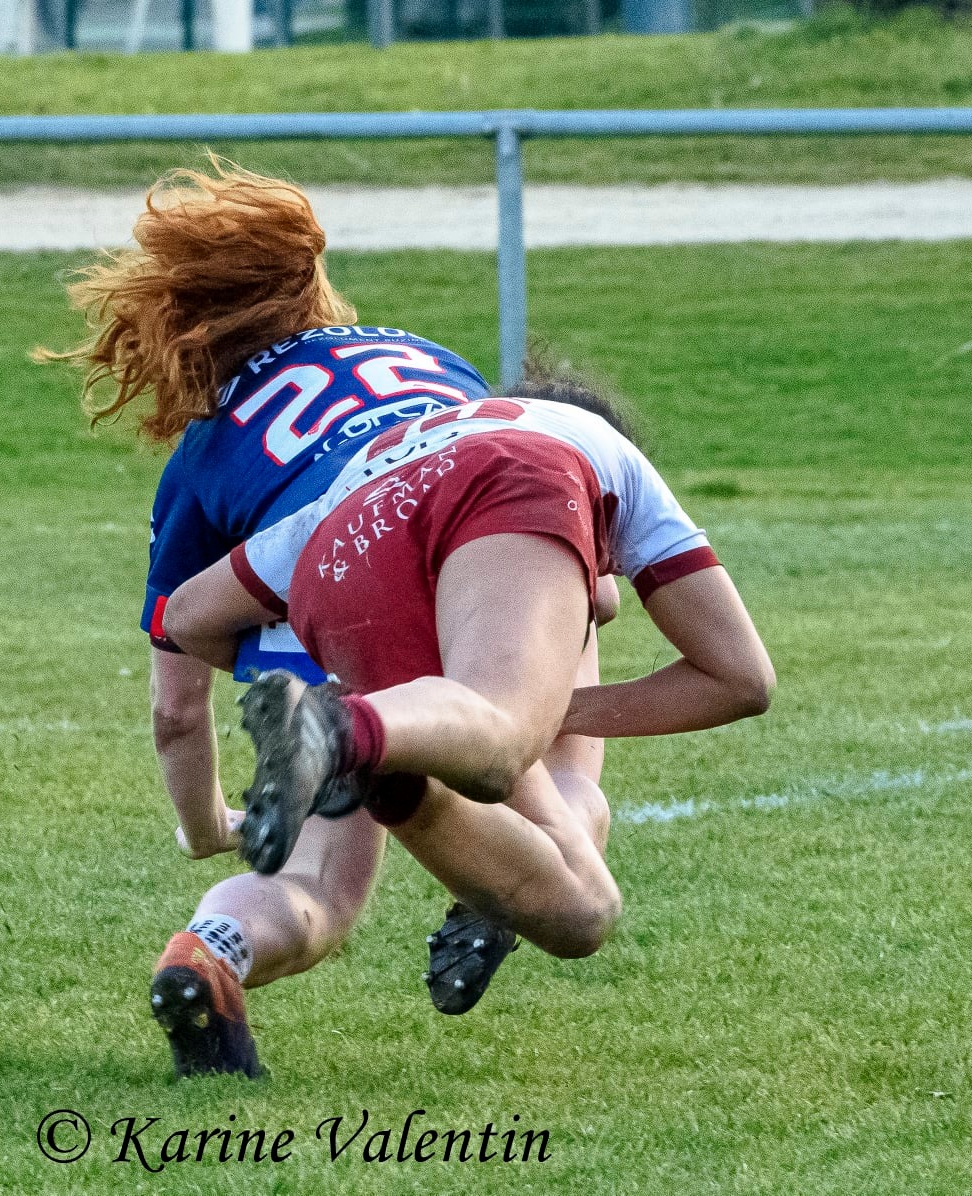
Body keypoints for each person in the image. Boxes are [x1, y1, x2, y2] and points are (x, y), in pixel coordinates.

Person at [39, 160, 604, 1078]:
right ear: (308, 282)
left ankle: (209, 951)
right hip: (459, 568)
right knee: (557, 719)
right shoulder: (424, 357)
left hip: (317, 609)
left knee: (315, 891)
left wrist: (201, 825)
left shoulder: (204, 452)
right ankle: (511, 869)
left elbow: (175, 705)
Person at [162, 392, 775, 984]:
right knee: (504, 735)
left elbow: (188, 616)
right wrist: (547, 708)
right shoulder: (595, 448)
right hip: (511, 486)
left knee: (581, 911)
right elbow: (741, 678)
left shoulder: (389, 457)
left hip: (343, 548)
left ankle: (379, 760)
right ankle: (342, 731)